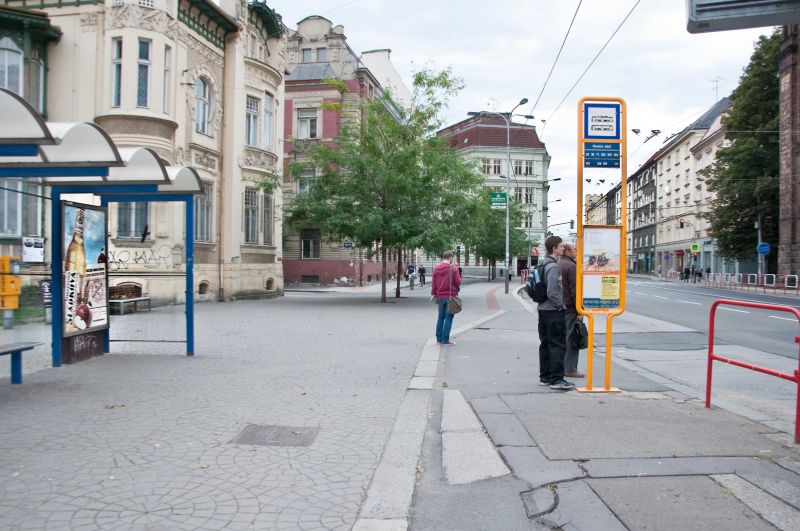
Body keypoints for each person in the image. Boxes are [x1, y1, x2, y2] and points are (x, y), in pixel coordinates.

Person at [537, 235, 574, 390]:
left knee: (545, 344)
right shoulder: (553, 267)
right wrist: (560, 306)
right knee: (558, 345)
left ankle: (545, 377)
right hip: (553, 311)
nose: (562, 249)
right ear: (554, 248)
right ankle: (557, 379)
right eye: (560, 246)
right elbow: (553, 291)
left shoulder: (543, 264)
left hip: (543, 310)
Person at [559, 243, 584, 378]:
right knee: (572, 339)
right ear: (568, 251)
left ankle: (561, 367)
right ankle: (570, 369)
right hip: (570, 309)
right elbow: (575, 291)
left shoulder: (558, 264)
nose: (576, 251)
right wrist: (580, 310)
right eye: (575, 249)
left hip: (559, 308)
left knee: (562, 338)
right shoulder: (571, 266)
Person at [431, 251, 461, 346]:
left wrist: (434, 294)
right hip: (450, 296)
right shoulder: (453, 269)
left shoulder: (436, 268)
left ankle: (439, 339)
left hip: (440, 296)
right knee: (448, 318)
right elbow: (458, 282)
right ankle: (445, 340)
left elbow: (434, 284)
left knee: (440, 317)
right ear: (450, 258)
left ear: (443, 257)